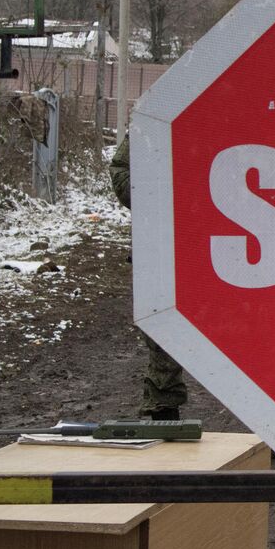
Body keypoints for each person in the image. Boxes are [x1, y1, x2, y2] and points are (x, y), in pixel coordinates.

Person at [109, 135, 190, 421]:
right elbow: (121, 170)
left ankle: (272, 419)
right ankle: (163, 402)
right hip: (160, 239)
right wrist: (159, 197)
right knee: (161, 320)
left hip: (235, 241)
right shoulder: (156, 118)